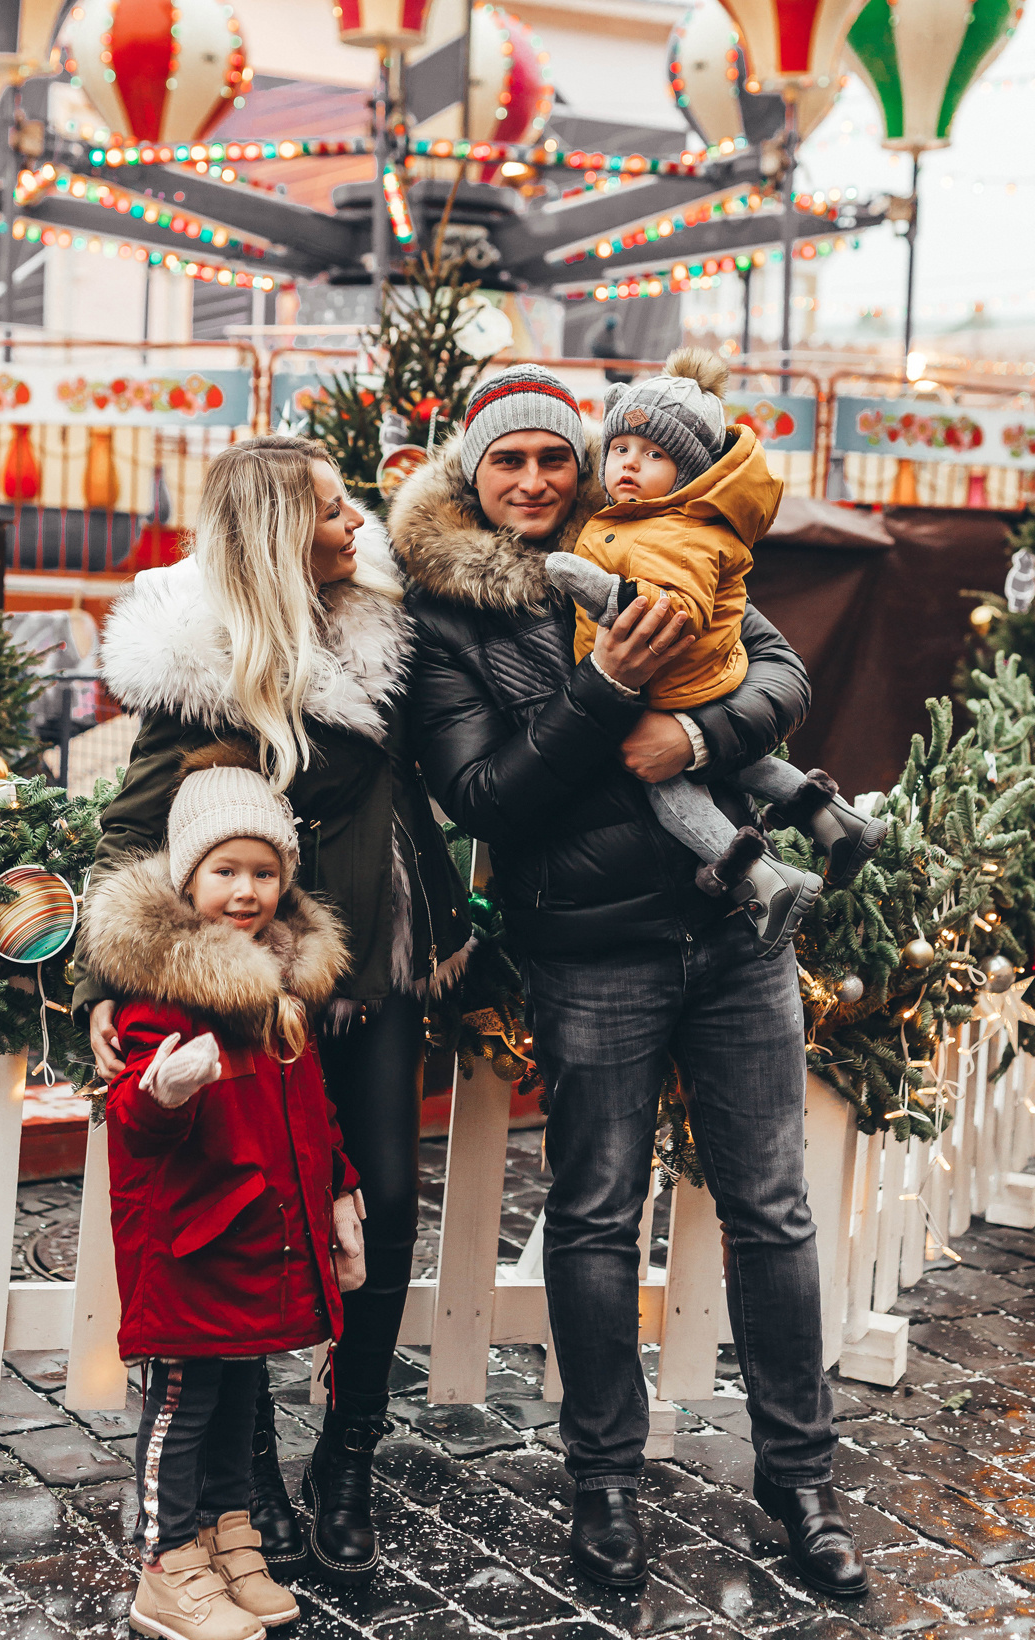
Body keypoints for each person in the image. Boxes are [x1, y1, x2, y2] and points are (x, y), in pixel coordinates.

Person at [387, 363, 867, 1601]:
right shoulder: (448, 612)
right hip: (590, 950)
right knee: (596, 1213)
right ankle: (602, 1479)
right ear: (475, 475)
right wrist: (602, 694)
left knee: (772, 1209)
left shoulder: (661, 541)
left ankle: (798, 1476)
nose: (537, 481)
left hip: (731, 936)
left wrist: (701, 736)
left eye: (556, 457)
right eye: (510, 462)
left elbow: (780, 674)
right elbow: (480, 795)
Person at [71, 434, 472, 1582]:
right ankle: (246, 1478)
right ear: (278, 539)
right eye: (336, 513)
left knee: (383, 1203)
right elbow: (132, 830)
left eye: (353, 505)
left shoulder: (387, 622)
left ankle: (346, 1454)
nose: (361, 525)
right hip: (277, 984)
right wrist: (112, 975)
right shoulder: (210, 663)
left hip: (384, 962)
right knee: (254, 1213)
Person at [80, 758, 363, 1639]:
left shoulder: (280, 991)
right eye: (225, 872)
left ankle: (227, 1533)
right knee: (182, 1406)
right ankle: (166, 1566)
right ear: (187, 877)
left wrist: (341, 1190)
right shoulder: (162, 996)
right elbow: (134, 1120)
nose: (247, 891)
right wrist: (162, 1092)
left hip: (258, 1241)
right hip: (190, 1246)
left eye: (265, 873)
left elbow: (311, 1111)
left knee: (242, 1396)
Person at [546, 349, 886, 954]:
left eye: (655, 456)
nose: (630, 465)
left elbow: (670, 608)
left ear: (689, 473)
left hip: (672, 682)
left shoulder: (676, 529)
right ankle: (835, 818)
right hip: (698, 684)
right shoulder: (648, 518)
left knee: (670, 786)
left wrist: (598, 590)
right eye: (621, 450)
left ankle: (762, 877)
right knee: (727, 758)